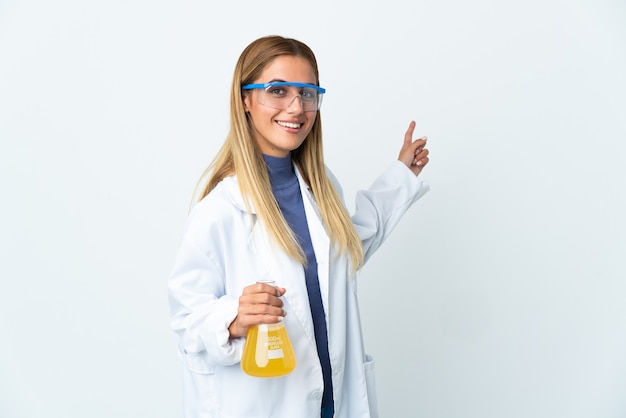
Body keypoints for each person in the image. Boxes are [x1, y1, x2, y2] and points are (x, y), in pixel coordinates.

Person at [168, 35, 430, 418]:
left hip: (333, 401)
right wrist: (234, 318)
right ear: (245, 99)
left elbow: (345, 251)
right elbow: (187, 320)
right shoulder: (221, 209)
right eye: (278, 90)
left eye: (307, 93)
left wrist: (401, 176)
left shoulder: (320, 185)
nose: (297, 107)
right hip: (268, 404)